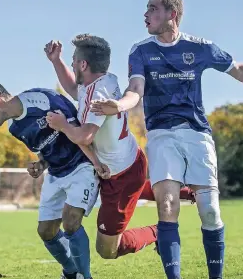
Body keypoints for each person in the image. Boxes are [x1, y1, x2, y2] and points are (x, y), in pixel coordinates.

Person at [90, 0, 243, 279]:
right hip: (161, 135)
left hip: (197, 134)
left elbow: (239, 70)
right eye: (147, 9)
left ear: (172, 15)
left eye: (153, 9)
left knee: (209, 210)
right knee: (168, 204)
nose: (145, 15)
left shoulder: (199, 48)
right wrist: (119, 106)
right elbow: (136, 89)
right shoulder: (140, 50)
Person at [44, 34, 194, 261]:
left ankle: (159, 232)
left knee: (107, 250)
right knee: (135, 189)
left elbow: (85, 136)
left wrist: (62, 125)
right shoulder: (103, 80)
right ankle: (186, 192)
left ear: (84, 65)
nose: (72, 63)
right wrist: (57, 60)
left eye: (74, 60)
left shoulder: (98, 95)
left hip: (121, 177)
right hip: (125, 164)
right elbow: (74, 90)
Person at [0, 80, 110, 279]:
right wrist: (40, 165)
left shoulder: (42, 100)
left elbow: (78, 130)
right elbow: (44, 150)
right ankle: (70, 275)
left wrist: (96, 163)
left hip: (81, 164)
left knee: (71, 221)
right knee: (46, 231)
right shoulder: (15, 128)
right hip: (55, 172)